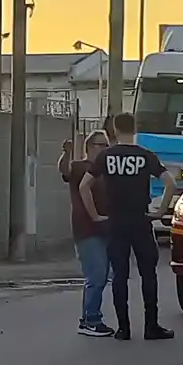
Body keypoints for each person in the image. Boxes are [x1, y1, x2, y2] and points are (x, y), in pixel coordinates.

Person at [89, 113, 176, 341]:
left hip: (115, 221)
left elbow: (83, 186)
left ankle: (123, 328)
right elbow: (170, 183)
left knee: (120, 275)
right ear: (135, 128)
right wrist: (159, 211)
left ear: (115, 130)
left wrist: (96, 215)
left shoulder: (106, 156)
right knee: (148, 273)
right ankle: (151, 325)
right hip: (140, 220)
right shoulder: (146, 156)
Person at [60, 130, 114, 336]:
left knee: (105, 274)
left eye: (107, 146)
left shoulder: (108, 170)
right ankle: (91, 319)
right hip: (87, 229)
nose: (104, 149)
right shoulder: (80, 167)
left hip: (107, 228)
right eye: (101, 145)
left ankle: (91, 317)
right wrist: (66, 153)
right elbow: (64, 170)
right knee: (97, 275)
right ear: (90, 147)